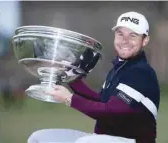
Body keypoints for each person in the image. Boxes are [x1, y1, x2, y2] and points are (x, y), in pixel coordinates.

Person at [47, 11, 160, 143]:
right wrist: (72, 78)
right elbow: (102, 102)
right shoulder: (120, 68)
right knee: (39, 138)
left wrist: (69, 98)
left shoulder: (141, 72)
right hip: (103, 138)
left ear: (145, 40)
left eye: (133, 35)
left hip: (131, 140)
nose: (125, 40)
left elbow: (110, 112)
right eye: (120, 34)